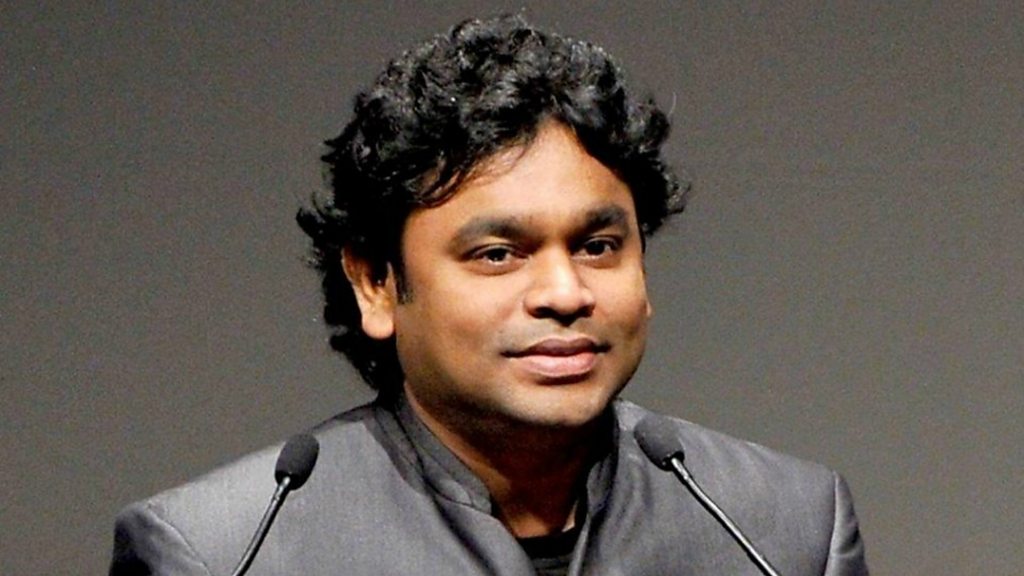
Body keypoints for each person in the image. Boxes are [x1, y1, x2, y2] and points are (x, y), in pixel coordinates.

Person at [109, 15, 868, 576]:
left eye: (598, 246)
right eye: (498, 255)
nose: (565, 293)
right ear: (376, 282)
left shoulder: (782, 529)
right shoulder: (226, 551)